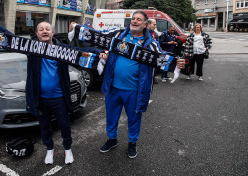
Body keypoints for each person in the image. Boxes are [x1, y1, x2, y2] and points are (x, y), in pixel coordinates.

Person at [0, 21, 103, 165]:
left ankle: (67, 149)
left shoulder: (62, 49)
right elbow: (10, 37)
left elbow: (80, 51)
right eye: (41, 29)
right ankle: (49, 149)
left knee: (64, 125)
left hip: (59, 98)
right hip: (41, 99)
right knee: (44, 126)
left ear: (52, 33)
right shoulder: (31, 48)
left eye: (47, 29)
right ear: (37, 34)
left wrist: (101, 53)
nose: (44, 31)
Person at [70, 11, 185, 159]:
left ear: (145, 25)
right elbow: (98, 35)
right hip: (113, 87)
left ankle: (132, 142)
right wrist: (78, 28)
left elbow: (162, 56)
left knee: (134, 118)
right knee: (111, 116)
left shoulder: (150, 43)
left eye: (139, 20)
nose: (135, 21)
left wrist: (176, 62)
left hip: (135, 90)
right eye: (133, 19)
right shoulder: (118, 34)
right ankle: (112, 139)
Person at [147, 19, 160, 84]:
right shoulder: (145, 34)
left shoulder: (153, 33)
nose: (155, 26)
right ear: (148, 24)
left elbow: (157, 43)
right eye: (154, 24)